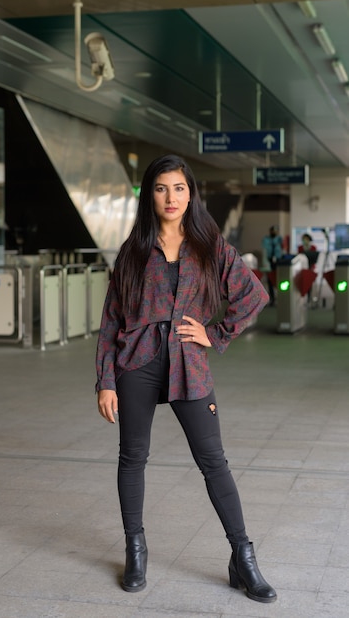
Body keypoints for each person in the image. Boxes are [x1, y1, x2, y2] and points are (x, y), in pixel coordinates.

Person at [95, 154, 276, 603]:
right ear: (149, 195)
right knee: (132, 456)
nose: (170, 197)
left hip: (189, 363)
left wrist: (214, 333)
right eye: (161, 188)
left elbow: (255, 295)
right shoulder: (134, 250)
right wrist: (105, 379)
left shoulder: (209, 245)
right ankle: (135, 549)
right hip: (136, 362)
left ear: (190, 193)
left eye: (178, 188)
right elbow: (112, 319)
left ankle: (243, 557)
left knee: (213, 461)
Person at [262, 226, 283, 305]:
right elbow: (265, 250)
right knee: (270, 280)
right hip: (269, 260)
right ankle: (272, 298)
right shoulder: (266, 240)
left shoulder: (279, 239)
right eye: (273, 231)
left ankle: (280, 297)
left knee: (279, 279)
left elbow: (282, 248)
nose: (274, 232)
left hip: (278, 261)